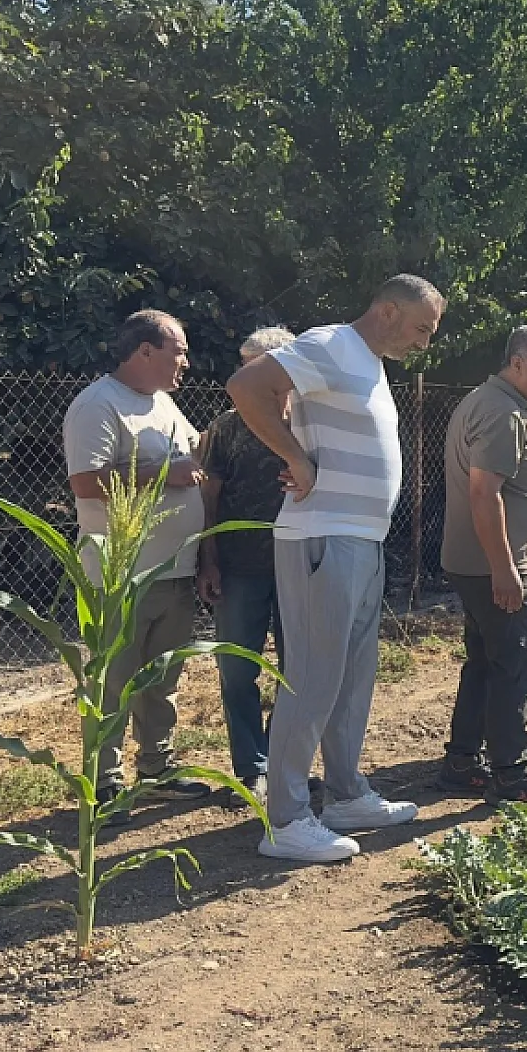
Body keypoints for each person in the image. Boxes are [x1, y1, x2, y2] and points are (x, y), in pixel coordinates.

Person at [227, 273, 444, 863]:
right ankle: (288, 818)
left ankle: (346, 794)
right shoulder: (331, 345)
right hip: (323, 536)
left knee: (352, 675)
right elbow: (248, 385)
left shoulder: (369, 364)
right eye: (421, 328)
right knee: (314, 676)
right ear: (388, 310)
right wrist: (294, 456)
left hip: (361, 540)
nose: (424, 342)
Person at [63, 309, 212, 820]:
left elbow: (195, 455)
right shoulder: (98, 405)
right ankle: (102, 785)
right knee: (113, 682)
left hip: (174, 571)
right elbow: (86, 483)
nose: (186, 363)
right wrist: (165, 473)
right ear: (145, 351)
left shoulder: (164, 404)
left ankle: (157, 770)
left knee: (161, 681)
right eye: (179, 351)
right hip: (120, 575)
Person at [437, 327, 527, 804]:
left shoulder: (490, 402)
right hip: (497, 565)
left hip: (480, 562)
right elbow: (483, 493)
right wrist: (505, 570)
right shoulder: (503, 412)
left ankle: (462, 762)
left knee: (486, 665)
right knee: (514, 666)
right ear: (517, 363)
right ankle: (511, 773)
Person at [197, 326, 298, 806]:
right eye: (242, 363)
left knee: (297, 670)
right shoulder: (227, 428)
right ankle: (251, 769)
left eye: (252, 365)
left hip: (301, 565)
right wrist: (208, 560)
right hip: (239, 567)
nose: (242, 374)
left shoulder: (311, 424)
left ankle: (282, 764)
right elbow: (209, 497)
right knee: (237, 670)